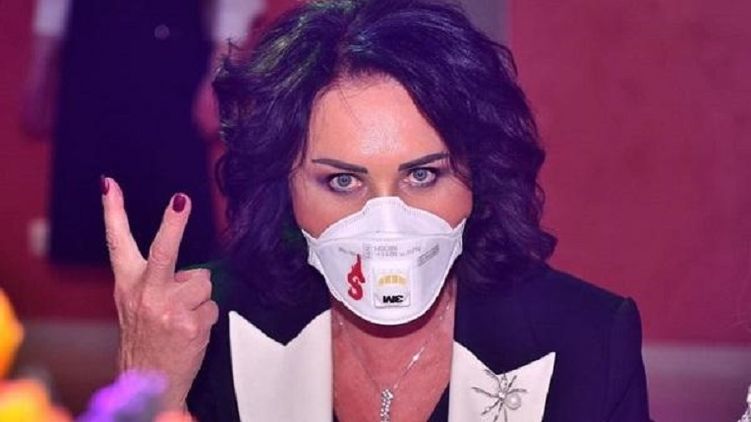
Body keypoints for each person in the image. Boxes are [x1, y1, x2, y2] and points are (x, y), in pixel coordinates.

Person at [101, 0, 652, 420]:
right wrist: (149, 389)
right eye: (343, 180)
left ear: (478, 177)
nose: (387, 224)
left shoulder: (588, 339)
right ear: (284, 188)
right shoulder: (209, 326)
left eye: (422, 175)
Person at [22, 0, 264, 267]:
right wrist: (40, 72)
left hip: (170, 68)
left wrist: (219, 78)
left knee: (174, 240)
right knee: (92, 235)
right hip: (90, 62)